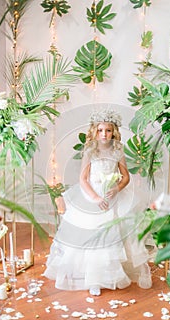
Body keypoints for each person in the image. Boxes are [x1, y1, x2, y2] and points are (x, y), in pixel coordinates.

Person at [44, 109, 153, 296]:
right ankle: (92, 278)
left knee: (112, 234)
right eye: (101, 130)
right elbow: (83, 179)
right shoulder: (90, 151)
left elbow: (125, 176)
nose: (104, 134)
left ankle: (110, 275)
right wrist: (95, 198)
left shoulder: (118, 150)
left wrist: (116, 188)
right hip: (91, 196)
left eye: (108, 130)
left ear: (114, 132)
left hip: (112, 196)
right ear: (95, 131)